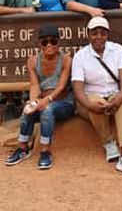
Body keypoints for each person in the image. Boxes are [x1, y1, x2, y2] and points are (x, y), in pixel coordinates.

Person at [71, 17, 122, 177]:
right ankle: (108, 142)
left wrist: (120, 96)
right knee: (96, 102)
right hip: (92, 96)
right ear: (88, 35)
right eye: (94, 33)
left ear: (107, 35)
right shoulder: (80, 56)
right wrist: (88, 105)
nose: (98, 37)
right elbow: (78, 88)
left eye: (102, 33)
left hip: (113, 94)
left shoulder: (117, 50)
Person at [5, 25, 75, 169]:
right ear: (40, 44)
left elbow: (61, 87)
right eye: (45, 42)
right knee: (28, 110)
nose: (49, 45)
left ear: (59, 43)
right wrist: (33, 102)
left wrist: (45, 100)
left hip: (63, 102)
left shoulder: (66, 60)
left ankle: (45, 151)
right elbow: (34, 85)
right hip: (43, 99)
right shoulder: (32, 61)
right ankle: (23, 148)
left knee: (47, 109)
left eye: (53, 41)